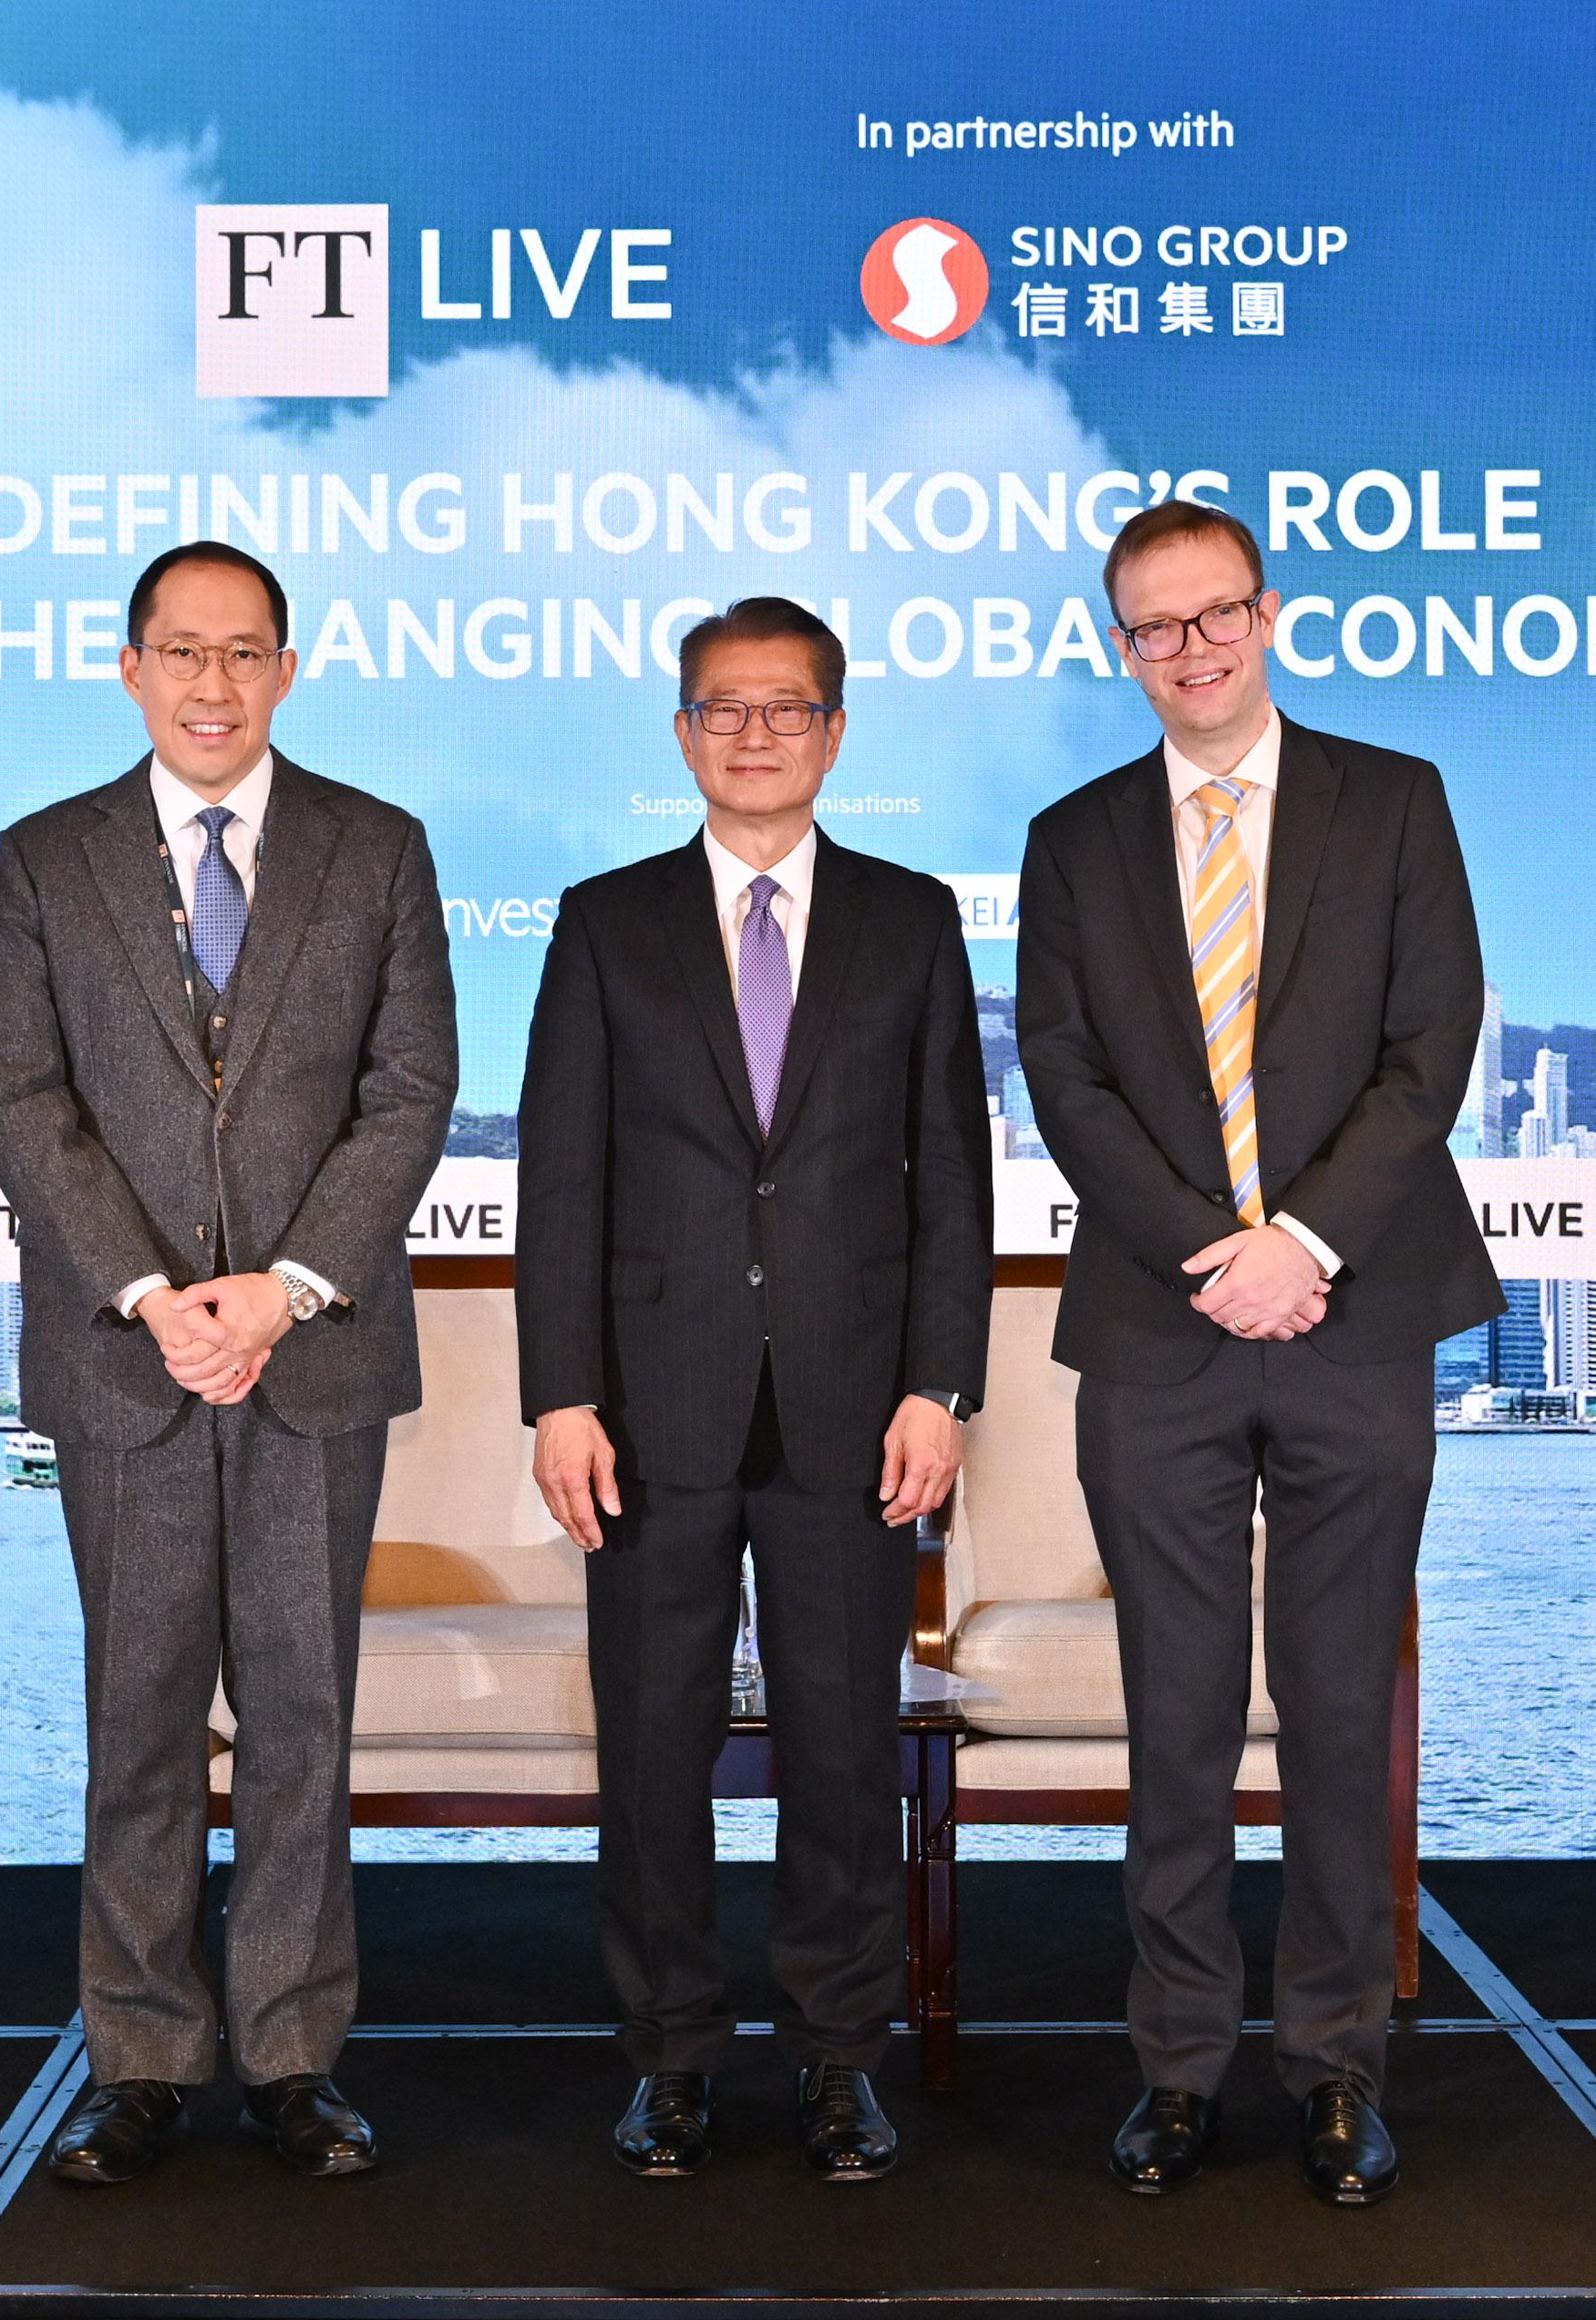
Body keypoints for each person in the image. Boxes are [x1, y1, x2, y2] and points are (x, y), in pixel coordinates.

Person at [1014, 501, 1501, 2205]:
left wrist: (1300, 1242)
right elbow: (1063, 1079)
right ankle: (1174, 2065)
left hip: (1353, 1313)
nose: (1193, 648)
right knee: (1174, 1714)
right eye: (1156, 627)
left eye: (1217, 614)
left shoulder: (1394, 799)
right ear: (1121, 647)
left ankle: (1337, 2063)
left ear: (1269, 614)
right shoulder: (1071, 838)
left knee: (1338, 1704)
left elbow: (1429, 1046)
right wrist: (1207, 1253)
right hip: (1161, 1323)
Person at [0, 540, 458, 2185]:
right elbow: (22, 1101)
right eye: (181, 652)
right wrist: (154, 1293)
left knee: (307, 1716)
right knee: (141, 1715)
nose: (211, 684)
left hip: (312, 1356)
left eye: (244, 653)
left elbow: (408, 1091)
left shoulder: (377, 848)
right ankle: (142, 2056)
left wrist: (284, 1290)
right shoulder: (43, 858)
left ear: (288, 668)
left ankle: (297, 2055)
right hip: (130, 1363)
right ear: (129, 667)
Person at [518, 596, 992, 2181]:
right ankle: (665, 2059)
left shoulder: (915, 918)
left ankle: (836, 2056)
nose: (754, 733)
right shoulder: (604, 921)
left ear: (836, 733)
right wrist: (558, 1394)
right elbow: (561, 1179)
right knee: (651, 1751)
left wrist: (941, 1386)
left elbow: (953, 1182)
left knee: (844, 1749)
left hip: (859, 1408)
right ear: (680, 735)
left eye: (786, 708)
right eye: (723, 708)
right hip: (647, 1409)